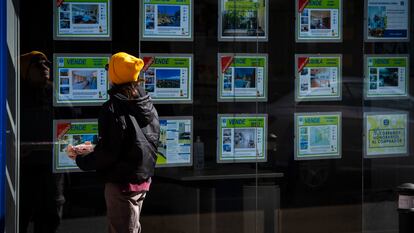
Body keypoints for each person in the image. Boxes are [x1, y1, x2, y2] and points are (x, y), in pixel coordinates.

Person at [66, 52, 160, 233]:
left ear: (114, 76)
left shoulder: (112, 108)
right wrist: (94, 148)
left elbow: (110, 153)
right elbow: (134, 143)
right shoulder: (147, 104)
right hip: (141, 180)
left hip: (122, 184)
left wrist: (81, 159)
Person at [19, 51, 65, 233]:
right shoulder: (15, 94)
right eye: (39, 65)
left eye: (47, 64)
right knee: (18, 213)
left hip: (51, 167)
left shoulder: (53, 92)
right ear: (25, 70)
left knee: (50, 215)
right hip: (23, 167)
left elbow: (72, 118)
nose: (46, 68)